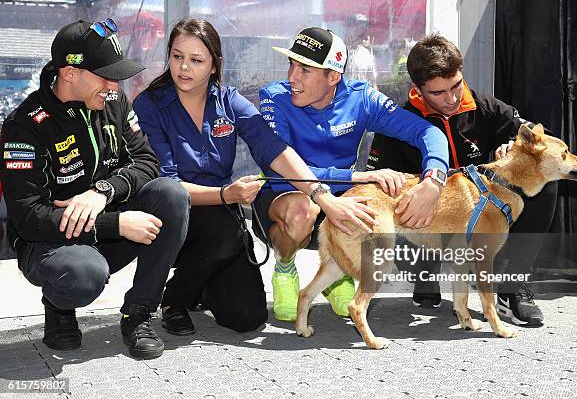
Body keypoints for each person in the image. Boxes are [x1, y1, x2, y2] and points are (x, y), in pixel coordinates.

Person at [133, 19, 379, 336]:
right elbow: (167, 184)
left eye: (196, 60)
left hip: (220, 213)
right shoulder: (150, 105)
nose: (184, 68)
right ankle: (174, 300)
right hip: (171, 215)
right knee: (221, 231)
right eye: (177, 56)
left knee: (247, 317)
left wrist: (323, 197)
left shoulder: (229, 101)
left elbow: (274, 149)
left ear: (213, 65)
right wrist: (226, 196)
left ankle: (202, 281)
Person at [0, 19, 190, 359]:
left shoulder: (114, 101)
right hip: (52, 243)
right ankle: (59, 305)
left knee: (171, 195)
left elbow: (148, 162)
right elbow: (29, 217)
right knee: (84, 274)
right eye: (105, 74)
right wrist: (116, 224)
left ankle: (138, 314)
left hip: (106, 227)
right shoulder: (24, 126)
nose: (113, 84)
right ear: (70, 72)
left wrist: (103, 191)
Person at [254, 27, 450, 322]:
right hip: (283, 198)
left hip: (339, 204)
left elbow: (428, 132)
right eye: (291, 65)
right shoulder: (274, 96)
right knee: (302, 210)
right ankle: (285, 265)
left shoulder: (362, 99)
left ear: (333, 76)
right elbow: (277, 169)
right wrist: (357, 177)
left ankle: (335, 274)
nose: (292, 77)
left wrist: (434, 181)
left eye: (304, 70)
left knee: (380, 202)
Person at [367, 33, 557, 327]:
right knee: (412, 252)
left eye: (456, 86)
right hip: (425, 227)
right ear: (418, 89)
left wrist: (515, 145)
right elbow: (378, 186)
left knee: (544, 185)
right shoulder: (397, 121)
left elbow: (535, 136)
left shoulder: (485, 107)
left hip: (483, 223)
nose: (452, 98)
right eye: (439, 93)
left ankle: (511, 287)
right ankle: (425, 274)